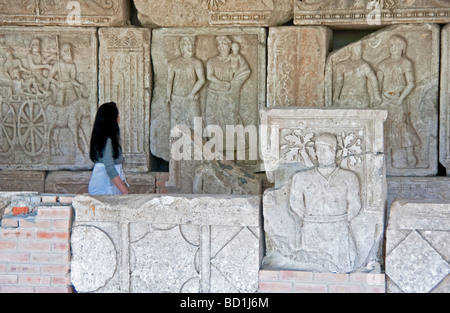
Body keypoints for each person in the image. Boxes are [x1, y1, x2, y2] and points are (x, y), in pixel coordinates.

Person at [289, 133, 361, 272]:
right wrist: (310, 219)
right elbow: (295, 202)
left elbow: (355, 204)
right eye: (318, 149)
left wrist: (340, 220)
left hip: (339, 230)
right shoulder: (301, 177)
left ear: (335, 152)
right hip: (311, 229)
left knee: (342, 268)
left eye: (326, 149)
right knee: (311, 270)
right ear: (314, 152)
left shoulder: (349, 177)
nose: (322, 154)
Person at [88, 102, 129, 195]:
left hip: (107, 186)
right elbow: (110, 168)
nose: (119, 116)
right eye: (117, 114)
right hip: (103, 188)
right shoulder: (107, 140)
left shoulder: (104, 138)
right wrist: (125, 192)